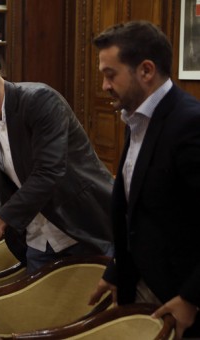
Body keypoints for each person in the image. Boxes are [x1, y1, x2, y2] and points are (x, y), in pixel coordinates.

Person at [0, 48, 114, 274]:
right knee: (38, 309)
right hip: (37, 239)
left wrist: (0, 219)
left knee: (93, 307)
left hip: (81, 227)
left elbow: (49, 172)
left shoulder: (40, 100)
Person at [87, 21, 200, 338]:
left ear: (146, 71)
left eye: (111, 75)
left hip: (179, 299)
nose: (105, 86)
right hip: (141, 287)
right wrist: (117, 270)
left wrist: (191, 297)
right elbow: (136, 213)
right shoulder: (135, 117)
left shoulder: (189, 123)